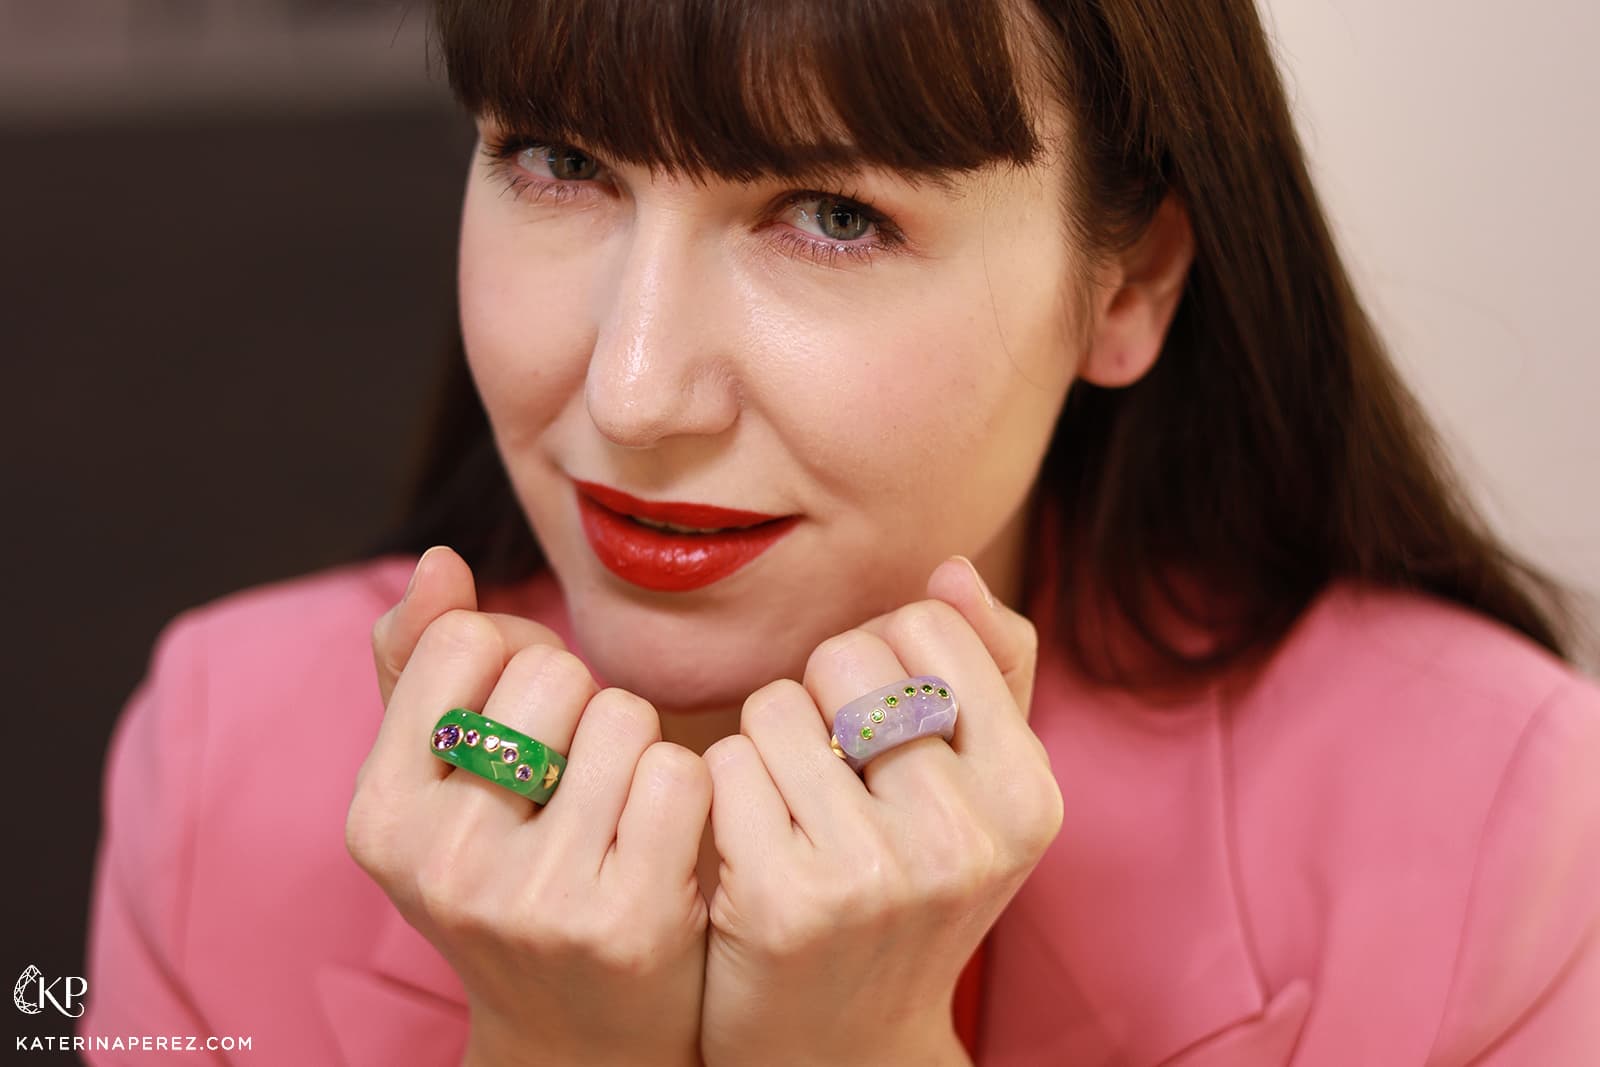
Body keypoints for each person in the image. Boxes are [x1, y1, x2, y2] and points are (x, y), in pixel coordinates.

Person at [79, 0, 1600, 1063]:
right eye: (559, 158)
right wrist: (557, 1053)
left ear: (1127, 286)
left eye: (832, 213)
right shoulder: (220, 765)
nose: (632, 386)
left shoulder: (1499, 827)